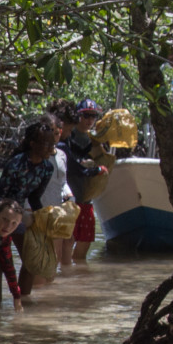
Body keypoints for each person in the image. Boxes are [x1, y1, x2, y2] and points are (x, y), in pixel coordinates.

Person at [0, 115, 68, 291]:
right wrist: (6, 225)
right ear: (32, 144)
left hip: (17, 212)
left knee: (31, 259)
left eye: (52, 144)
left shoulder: (47, 168)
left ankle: (23, 300)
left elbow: (35, 198)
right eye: (46, 144)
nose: (50, 149)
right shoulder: (16, 163)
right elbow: (3, 196)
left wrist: (42, 219)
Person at [60, 98, 108, 264]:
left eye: (93, 116)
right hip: (69, 196)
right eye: (86, 115)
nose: (89, 120)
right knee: (68, 240)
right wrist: (93, 169)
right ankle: (65, 272)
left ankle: (77, 273)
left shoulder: (93, 140)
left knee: (86, 240)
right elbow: (72, 165)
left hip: (86, 195)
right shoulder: (66, 136)